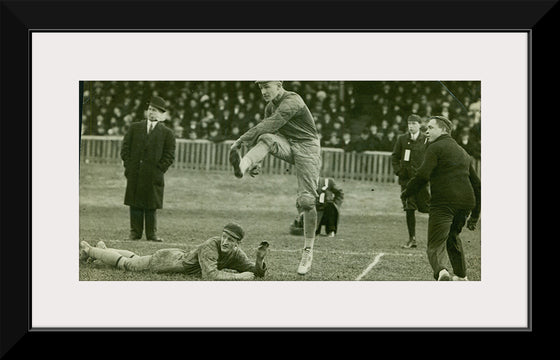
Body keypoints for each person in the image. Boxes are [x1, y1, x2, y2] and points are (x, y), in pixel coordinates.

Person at [229, 81, 322, 275]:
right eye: (260, 88)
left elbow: (271, 123)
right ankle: (243, 165)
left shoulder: (293, 100)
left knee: (306, 201)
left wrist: (240, 140)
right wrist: (256, 162)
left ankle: (308, 250)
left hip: (307, 148)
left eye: (267, 86)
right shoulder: (270, 106)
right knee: (267, 139)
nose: (263, 91)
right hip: (288, 144)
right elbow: (267, 133)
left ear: (279, 85)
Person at [400, 116, 481, 281]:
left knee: (434, 244)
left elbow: (422, 175)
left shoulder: (434, 147)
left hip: (444, 203)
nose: (427, 131)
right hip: (466, 203)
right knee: (452, 237)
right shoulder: (462, 151)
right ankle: (461, 276)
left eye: (430, 128)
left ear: (443, 130)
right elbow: (477, 185)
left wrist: (407, 192)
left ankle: (442, 272)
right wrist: (474, 216)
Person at [79, 222, 269, 280]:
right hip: (166, 261)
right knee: (127, 264)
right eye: (225, 237)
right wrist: (239, 277)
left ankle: (104, 249)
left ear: (238, 244)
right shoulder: (212, 244)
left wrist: (259, 259)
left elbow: (256, 272)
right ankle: (90, 250)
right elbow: (210, 275)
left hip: (174, 256)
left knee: (135, 257)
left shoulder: (236, 254)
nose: (226, 242)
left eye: (231, 240)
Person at [120, 96, 176, 242]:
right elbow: (125, 149)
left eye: (155, 110)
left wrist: (159, 170)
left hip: (153, 175)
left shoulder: (167, 133)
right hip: (135, 173)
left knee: (151, 205)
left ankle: (152, 234)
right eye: (150, 109)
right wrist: (129, 166)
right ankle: (135, 233)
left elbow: (169, 156)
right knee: (135, 203)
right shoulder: (135, 127)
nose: (151, 113)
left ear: (161, 114)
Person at [391, 114, 430, 249]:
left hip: (422, 181)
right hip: (406, 181)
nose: (411, 126)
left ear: (420, 125)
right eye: (409, 124)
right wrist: (398, 171)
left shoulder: (426, 140)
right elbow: (395, 157)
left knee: (427, 208)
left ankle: (437, 237)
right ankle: (412, 238)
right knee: (409, 207)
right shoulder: (402, 139)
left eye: (414, 124)